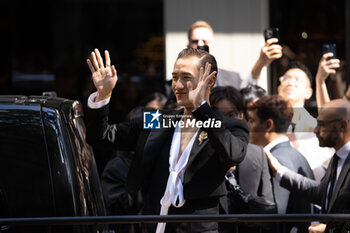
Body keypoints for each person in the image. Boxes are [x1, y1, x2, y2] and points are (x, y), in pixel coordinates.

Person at [85, 48, 249, 233]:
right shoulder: (159, 119)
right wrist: (103, 96)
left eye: (186, 78)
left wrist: (201, 109)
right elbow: (101, 137)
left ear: (210, 80)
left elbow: (233, 154)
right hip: (152, 224)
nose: (178, 85)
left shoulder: (229, 126)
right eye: (174, 77)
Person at [250, 41, 335, 180]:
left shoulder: (315, 130)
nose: (290, 82)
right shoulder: (266, 124)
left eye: (298, 79)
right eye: (286, 78)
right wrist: (260, 65)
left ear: (308, 93)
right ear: (278, 88)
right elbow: (251, 98)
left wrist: (320, 81)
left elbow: (331, 120)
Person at [266, 99, 350, 233]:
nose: (315, 130)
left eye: (321, 125)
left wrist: (328, 230)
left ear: (342, 126)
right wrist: (280, 171)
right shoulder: (338, 157)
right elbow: (323, 193)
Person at [210, 86, 275, 233]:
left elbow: (268, 207)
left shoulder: (257, 154)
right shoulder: (195, 155)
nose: (224, 122)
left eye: (231, 115)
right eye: (217, 115)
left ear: (241, 116)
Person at [247, 95, 314, 233]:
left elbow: (276, 215)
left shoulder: (277, 160)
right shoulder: (296, 155)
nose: (248, 126)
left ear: (268, 125)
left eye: (252, 121)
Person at [187, 20, 242, 89]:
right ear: (188, 46)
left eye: (205, 41)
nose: (200, 45)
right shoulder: (176, 84)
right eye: (195, 41)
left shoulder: (233, 80)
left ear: (213, 45)